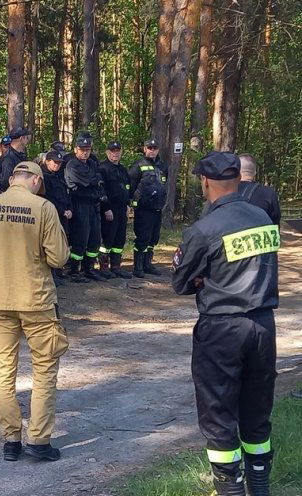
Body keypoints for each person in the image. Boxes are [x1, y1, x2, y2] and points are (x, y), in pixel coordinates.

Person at [171, 151, 279, 496]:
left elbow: (182, 283)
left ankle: (230, 489)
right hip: (263, 325)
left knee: (219, 415)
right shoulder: (263, 217)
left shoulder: (203, 229)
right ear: (238, 179)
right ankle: (259, 488)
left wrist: (207, 278)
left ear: (205, 182)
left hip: (221, 328)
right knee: (257, 411)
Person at [0, 161, 70, 462]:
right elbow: (58, 257)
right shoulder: (43, 208)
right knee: (43, 371)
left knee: (4, 372)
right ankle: (39, 441)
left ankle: (10, 440)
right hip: (37, 300)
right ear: (36, 181)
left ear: (13, 179)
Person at [63, 134, 106, 283]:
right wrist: (93, 181)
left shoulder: (92, 163)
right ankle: (73, 270)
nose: (85, 152)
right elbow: (85, 181)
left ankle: (89, 269)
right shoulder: (72, 165)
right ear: (76, 150)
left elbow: (99, 180)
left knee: (94, 238)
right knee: (80, 238)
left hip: (93, 204)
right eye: (82, 149)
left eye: (87, 149)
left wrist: (94, 181)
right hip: (79, 204)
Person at [129, 138, 168, 278]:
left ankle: (147, 264)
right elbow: (131, 186)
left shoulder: (163, 166)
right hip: (143, 209)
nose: (152, 151)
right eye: (149, 148)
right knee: (143, 237)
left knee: (153, 238)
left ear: (158, 150)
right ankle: (138, 267)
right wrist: (131, 205)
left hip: (156, 208)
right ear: (145, 149)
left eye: (154, 148)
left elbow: (164, 184)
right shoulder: (138, 165)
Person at [97, 141, 133, 279]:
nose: (115, 153)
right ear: (107, 152)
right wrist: (106, 208)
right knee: (108, 239)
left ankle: (116, 266)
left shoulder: (123, 170)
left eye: (118, 151)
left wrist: (128, 205)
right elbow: (101, 190)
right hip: (109, 209)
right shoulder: (103, 169)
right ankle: (104, 267)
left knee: (119, 239)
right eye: (112, 151)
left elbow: (128, 188)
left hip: (122, 209)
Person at [40, 149, 72, 285]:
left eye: (59, 163)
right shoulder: (44, 177)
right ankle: (51, 274)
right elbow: (47, 198)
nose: (57, 165)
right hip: (53, 215)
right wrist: (61, 211)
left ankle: (59, 271)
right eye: (55, 162)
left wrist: (69, 208)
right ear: (47, 161)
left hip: (65, 214)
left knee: (62, 243)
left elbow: (66, 193)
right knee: (51, 244)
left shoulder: (59, 175)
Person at [238, 153, 281, 226]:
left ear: (236, 171)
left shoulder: (226, 191)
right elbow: (275, 221)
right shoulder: (269, 193)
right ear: (255, 172)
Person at [0, 127, 31, 193]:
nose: (27, 140)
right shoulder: (8, 158)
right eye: (26, 138)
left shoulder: (20, 155)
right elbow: (6, 182)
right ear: (21, 138)